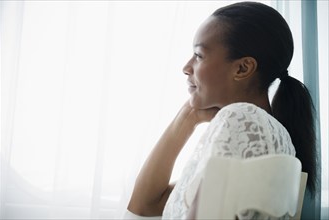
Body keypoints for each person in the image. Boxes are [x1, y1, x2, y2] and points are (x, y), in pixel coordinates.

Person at [126, 2, 317, 219]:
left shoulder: (241, 119)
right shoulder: (262, 131)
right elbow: (146, 205)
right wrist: (186, 117)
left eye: (198, 55)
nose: (186, 67)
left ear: (242, 68)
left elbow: (141, 210)